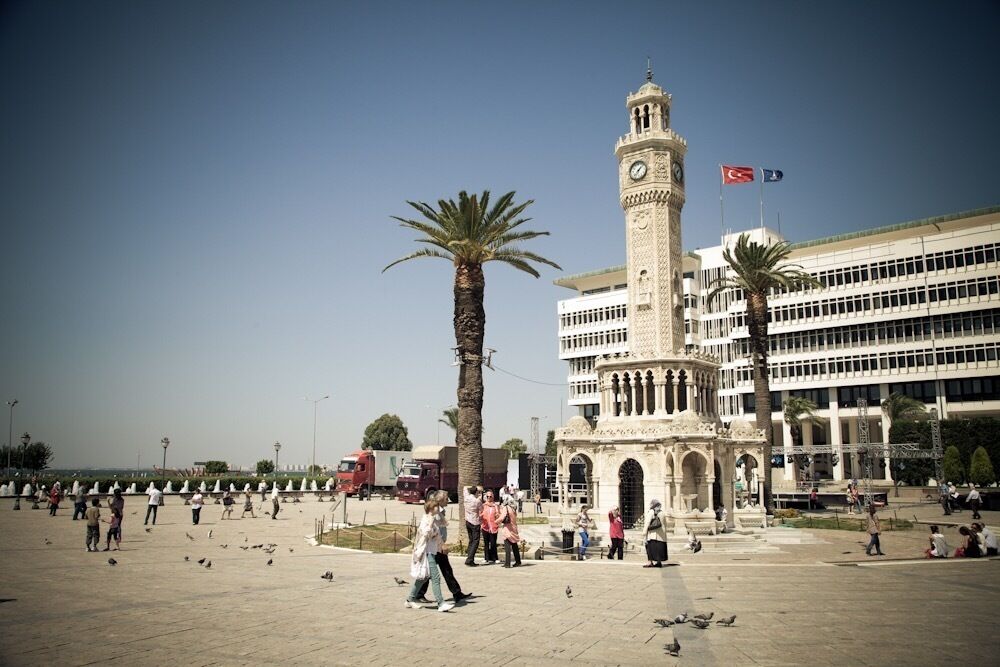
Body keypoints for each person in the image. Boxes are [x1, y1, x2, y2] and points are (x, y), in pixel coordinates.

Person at [416, 490, 470, 602]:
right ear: (440, 499)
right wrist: (442, 545)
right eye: (446, 498)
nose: (448, 500)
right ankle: (418, 594)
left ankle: (457, 593)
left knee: (446, 570)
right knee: (430, 572)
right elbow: (434, 531)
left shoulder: (440, 510)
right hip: (435, 547)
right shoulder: (435, 511)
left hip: (439, 546)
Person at [405, 497, 455, 612]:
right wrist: (431, 523)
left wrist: (442, 546)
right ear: (431, 508)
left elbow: (445, 523)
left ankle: (409, 599)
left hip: (432, 552)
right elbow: (425, 534)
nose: (438, 508)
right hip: (426, 553)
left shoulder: (433, 519)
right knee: (435, 577)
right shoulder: (426, 520)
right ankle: (441, 603)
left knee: (423, 578)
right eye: (436, 506)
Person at [497, 496, 522, 568]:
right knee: (514, 545)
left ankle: (507, 563)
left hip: (507, 529)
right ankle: (518, 561)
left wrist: (495, 521)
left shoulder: (506, 508)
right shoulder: (513, 508)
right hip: (513, 528)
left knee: (507, 546)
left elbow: (502, 517)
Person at [644, 499, 668, 567]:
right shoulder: (662, 513)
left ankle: (650, 562)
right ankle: (658, 562)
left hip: (652, 534)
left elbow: (647, 523)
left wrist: (644, 532)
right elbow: (665, 524)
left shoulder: (651, 512)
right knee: (659, 549)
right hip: (661, 535)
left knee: (650, 548)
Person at [463, 486, 483, 567]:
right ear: (476, 492)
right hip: (475, 522)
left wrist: (474, 488)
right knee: (475, 541)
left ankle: (469, 557)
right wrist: (480, 496)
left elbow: (464, 488)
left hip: (468, 521)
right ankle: (470, 559)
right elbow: (482, 509)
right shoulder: (476, 501)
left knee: (471, 540)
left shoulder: (466, 497)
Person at [480, 491, 500, 564]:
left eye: (490, 496)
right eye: (487, 496)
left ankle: (494, 558)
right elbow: (480, 514)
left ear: (493, 497)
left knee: (493, 543)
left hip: (493, 527)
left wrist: (497, 519)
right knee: (486, 543)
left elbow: (498, 515)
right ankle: (486, 558)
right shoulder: (483, 505)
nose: (489, 498)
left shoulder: (495, 506)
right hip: (485, 526)